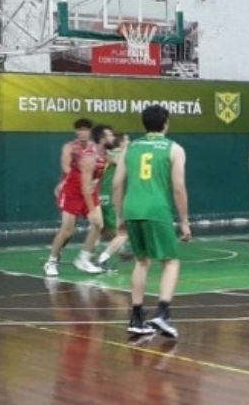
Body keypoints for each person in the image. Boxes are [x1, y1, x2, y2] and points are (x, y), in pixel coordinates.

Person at [113, 105, 191, 339]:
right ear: (166, 123)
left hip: (132, 208)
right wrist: (184, 221)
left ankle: (136, 317)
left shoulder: (130, 147)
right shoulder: (174, 148)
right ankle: (163, 313)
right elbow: (178, 188)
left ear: (144, 124)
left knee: (141, 261)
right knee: (171, 261)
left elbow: (116, 184)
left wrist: (119, 216)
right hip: (156, 208)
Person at [44, 125, 111, 276]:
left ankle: (84, 259)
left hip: (90, 191)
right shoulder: (87, 156)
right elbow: (81, 181)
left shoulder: (106, 154)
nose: (113, 138)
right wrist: (91, 209)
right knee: (68, 230)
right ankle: (52, 261)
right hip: (73, 192)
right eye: (110, 136)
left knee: (99, 224)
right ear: (101, 139)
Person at [97, 134, 131, 269]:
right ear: (121, 142)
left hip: (104, 196)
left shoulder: (113, 154)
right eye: (127, 140)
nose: (129, 142)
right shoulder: (118, 154)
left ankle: (121, 252)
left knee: (108, 231)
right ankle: (101, 259)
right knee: (123, 232)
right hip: (110, 198)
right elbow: (117, 159)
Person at [53, 118, 94, 201]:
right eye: (81, 130)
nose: (83, 133)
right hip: (72, 183)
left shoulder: (95, 147)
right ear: (76, 131)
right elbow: (66, 168)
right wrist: (82, 180)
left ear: (90, 132)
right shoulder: (69, 147)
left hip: (91, 184)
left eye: (86, 130)